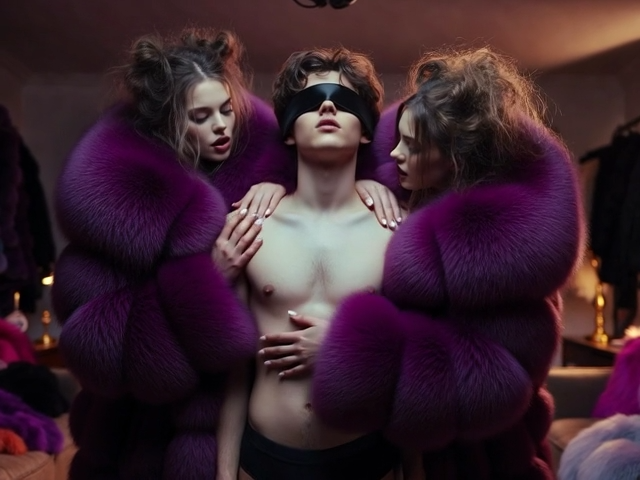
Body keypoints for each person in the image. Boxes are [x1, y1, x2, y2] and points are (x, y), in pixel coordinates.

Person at [307, 47, 585, 479]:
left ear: (455, 157)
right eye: (397, 139)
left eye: (413, 146)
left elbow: (493, 388)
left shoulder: (504, 258)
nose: (395, 154)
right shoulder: (408, 198)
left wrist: (353, 351)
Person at [51, 28, 296, 479]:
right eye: (200, 116)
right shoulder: (117, 213)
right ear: (167, 123)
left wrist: (280, 184)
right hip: (141, 440)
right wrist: (206, 281)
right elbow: (101, 353)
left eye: (227, 109)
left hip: (244, 431)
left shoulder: (269, 173)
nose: (221, 126)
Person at [217, 47, 402, 480]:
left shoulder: (395, 230)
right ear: (287, 132)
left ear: (365, 132)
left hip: (368, 457)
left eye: (345, 100)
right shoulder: (248, 228)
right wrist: (224, 474)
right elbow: (234, 372)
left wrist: (347, 347)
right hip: (264, 460)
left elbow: (416, 363)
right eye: (311, 100)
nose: (327, 107)